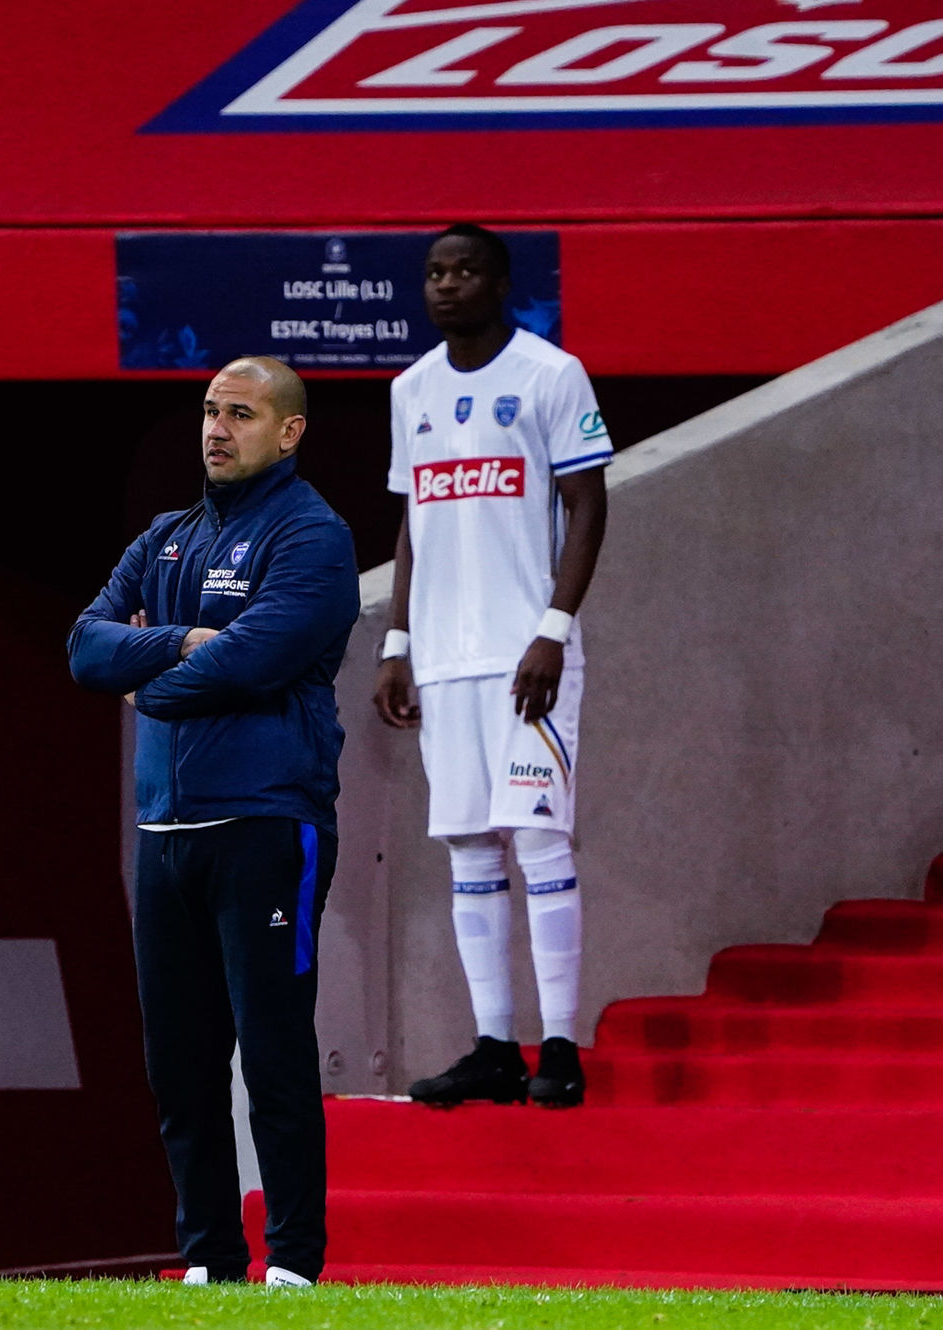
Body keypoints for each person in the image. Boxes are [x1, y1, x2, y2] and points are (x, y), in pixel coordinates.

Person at [67, 356, 358, 1287]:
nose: (216, 429)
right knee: (180, 1065)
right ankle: (210, 1264)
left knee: (273, 1050)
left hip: (269, 824)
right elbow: (83, 647)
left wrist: (147, 676)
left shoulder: (313, 538)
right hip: (164, 835)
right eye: (208, 411)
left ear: (290, 430)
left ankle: (297, 1267)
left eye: (240, 412)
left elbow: (254, 662)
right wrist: (180, 641)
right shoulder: (164, 538)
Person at [373, 223, 612, 1109]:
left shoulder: (552, 374)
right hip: (443, 657)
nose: (446, 284)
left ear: (500, 281)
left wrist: (553, 627)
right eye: (434, 272)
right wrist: (397, 643)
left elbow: (587, 504)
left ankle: (560, 1047)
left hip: (525, 654)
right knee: (469, 847)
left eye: (464, 269)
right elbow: (411, 524)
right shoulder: (411, 389)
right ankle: (492, 1047)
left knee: (541, 836)